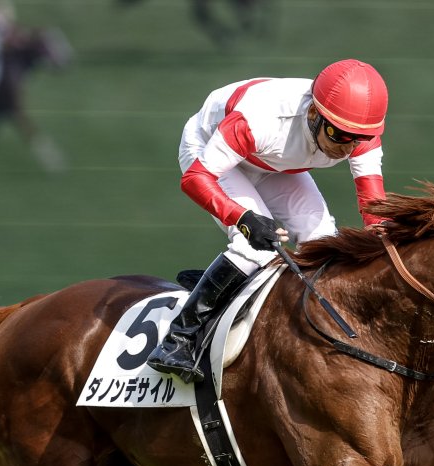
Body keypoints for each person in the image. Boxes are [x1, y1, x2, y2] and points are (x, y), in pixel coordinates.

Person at [146, 59, 389, 383]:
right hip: (210, 151)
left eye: (357, 139)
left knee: (324, 242)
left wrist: (387, 242)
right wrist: (243, 218)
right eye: (338, 135)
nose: (346, 147)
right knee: (255, 248)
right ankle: (178, 340)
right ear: (313, 114)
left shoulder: (357, 130)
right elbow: (195, 179)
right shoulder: (260, 120)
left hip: (273, 162)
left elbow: (373, 205)